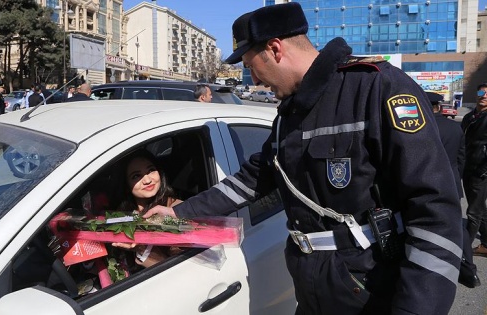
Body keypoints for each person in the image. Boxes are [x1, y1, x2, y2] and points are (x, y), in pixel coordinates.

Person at [144, 3, 463, 315]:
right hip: (312, 285)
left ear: (275, 49)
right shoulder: (289, 117)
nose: (253, 80)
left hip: (369, 287)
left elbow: (435, 211)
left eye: (250, 65)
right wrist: (178, 214)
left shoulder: (375, 87)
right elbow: (254, 179)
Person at [428, 92, 481, 288]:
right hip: (451, 183)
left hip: (427, 184)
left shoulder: (422, 128)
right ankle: (469, 267)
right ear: (440, 107)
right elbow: (461, 158)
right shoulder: (454, 127)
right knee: (457, 225)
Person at [112, 149, 182, 268]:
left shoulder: (175, 210)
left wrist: (142, 248)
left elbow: (180, 267)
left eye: (151, 170)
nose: (148, 180)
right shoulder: (122, 214)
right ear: (126, 184)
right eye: (136, 176)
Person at [461, 83, 487, 258]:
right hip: (468, 167)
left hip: (481, 170)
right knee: (480, 209)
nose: (483, 96)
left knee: (473, 212)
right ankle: (486, 244)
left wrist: (485, 169)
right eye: (480, 92)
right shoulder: (470, 116)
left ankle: (464, 252)